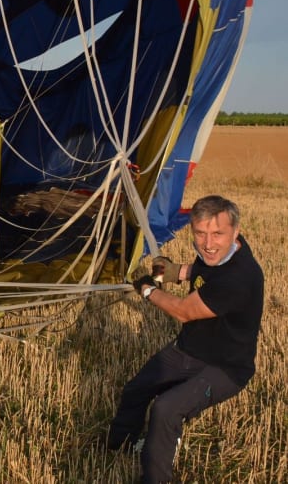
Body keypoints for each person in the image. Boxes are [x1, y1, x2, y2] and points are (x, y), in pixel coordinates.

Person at [106, 195, 264, 483]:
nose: (208, 243)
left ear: (235, 232)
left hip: (226, 367)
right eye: (200, 233)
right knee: (137, 389)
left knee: (167, 410)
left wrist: (147, 290)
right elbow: (202, 269)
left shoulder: (239, 278)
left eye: (217, 234)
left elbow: (182, 311)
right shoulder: (219, 252)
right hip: (189, 350)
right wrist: (175, 272)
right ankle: (120, 445)